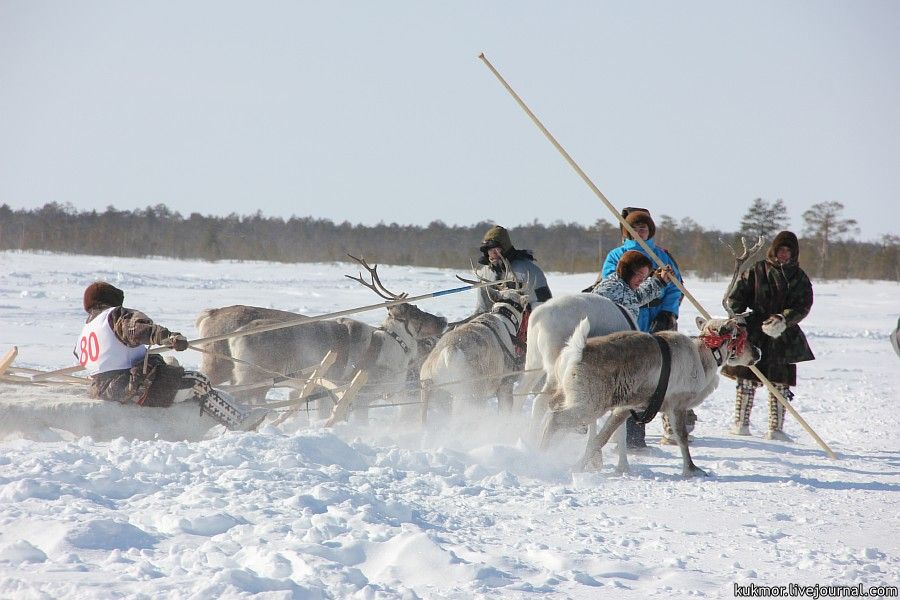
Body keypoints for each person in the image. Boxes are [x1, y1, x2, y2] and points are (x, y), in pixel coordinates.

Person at [76, 281, 266, 431]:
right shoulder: (115, 315)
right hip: (132, 387)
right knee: (198, 381)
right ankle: (239, 422)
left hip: (102, 390)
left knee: (172, 369)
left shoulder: (86, 330)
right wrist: (169, 337)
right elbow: (137, 329)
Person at [600, 208, 687, 449]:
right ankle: (625, 435)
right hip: (626, 321)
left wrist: (668, 313)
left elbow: (674, 287)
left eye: (644, 228)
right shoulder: (616, 255)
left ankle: (665, 425)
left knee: (657, 375)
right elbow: (615, 285)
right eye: (635, 228)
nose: (640, 232)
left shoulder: (662, 256)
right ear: (626, 231)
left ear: (650, 231)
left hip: (656, 320)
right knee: (628, 377)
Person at [722, 231, 814, 441]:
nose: (784, 254)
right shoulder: (756, 270)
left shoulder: (799, 277)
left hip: (784, 335)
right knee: (747, 376)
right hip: (754, 331)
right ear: (774, 250)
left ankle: (776, 428)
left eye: (788, 251)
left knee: (780, 382)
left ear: (794, 253)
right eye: (781, 250)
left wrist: (784, 319)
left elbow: (803, 305)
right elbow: (736, 297)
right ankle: (741, 423)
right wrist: (737, 316)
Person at [472, 225, 552, 314]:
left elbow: (544, 305)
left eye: (496, 249)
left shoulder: (528, 271)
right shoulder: (484, 273)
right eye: (489, 249)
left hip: (525, 319)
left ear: (505, 248)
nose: (493, 253)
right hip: (496, 322)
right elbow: (482, 308)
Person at [591, 250, 673, 325]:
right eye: (639, 274)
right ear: (627, 271)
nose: (641, 280)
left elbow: (637, 297)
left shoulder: (625, 288)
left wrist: (660, 281)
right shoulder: (608, 290)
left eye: (644, 277)